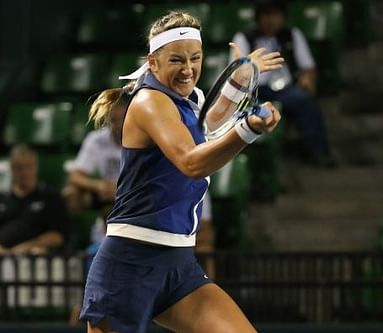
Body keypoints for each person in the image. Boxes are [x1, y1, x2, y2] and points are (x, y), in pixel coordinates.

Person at [79, 10, 283, 333]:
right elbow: (192, 162)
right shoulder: (149, 102)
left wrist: (237, 83)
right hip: (130, 264)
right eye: (176, 60)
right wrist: (248, 130)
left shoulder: (190, 100)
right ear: (153, 61)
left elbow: (209, 128)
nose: (188, 69)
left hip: (179, 267)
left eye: (195, 58)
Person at [231, 0, 335, 167]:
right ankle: (255, 165)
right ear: (258, 17)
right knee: (246, 112)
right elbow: (236, 75)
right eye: (266, 14)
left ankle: (318, 152)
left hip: (285, 89)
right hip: (255, 91)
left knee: (305, 101)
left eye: (275, 14)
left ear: (283, 17)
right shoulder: (243, 38)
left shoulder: (292, 35)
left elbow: (308, 67)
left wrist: (307, 79)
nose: (271, 20)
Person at [0, 144, 67, 255]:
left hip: (35, 257)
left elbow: (58, 236)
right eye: (20, 168)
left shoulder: (50, 197)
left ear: (36, 167)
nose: (25, 172)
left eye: (29, 167)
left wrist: (28, 247)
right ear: (12, 169)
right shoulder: (2, 198)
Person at [63, 125, 121, 216]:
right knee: (71, 194)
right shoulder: (96, 138)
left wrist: (121, 190)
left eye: (122, 119)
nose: (118, 126)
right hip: (105, 192)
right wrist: (99, 186)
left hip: (134, 191)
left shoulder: (142, 135)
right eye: (114, 120)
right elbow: (75, 177)